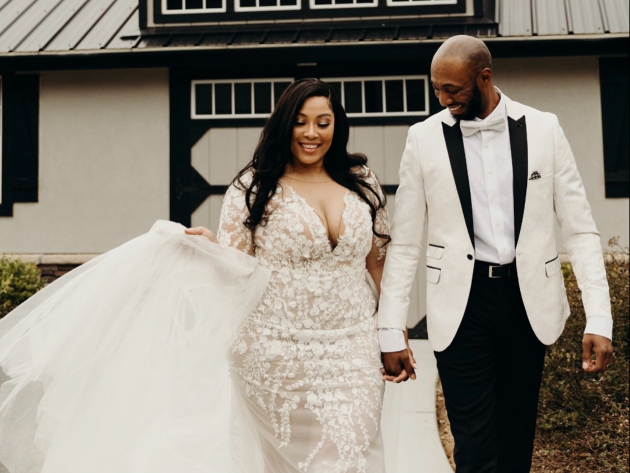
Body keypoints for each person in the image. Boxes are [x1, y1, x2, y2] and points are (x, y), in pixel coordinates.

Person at [0, 78, 405, 473]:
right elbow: (234, 271)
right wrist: (208, 246)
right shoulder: (253, 188)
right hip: (274, 355)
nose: (311, 133)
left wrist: (393, 334)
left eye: (323, 121)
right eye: (300, 121)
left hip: (353, 349)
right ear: (284, 124)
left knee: (353, 454)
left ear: (338, 124)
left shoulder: (361, 183)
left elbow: (378, 264)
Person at [378, 36, 614, 472]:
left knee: (515, 443)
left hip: (526, 305)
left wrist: (599, 317)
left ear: (484, 78)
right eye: (437, 90)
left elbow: (580, 230)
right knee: (475, 450)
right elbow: (406, 242)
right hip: (460, 308)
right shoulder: (423, 139)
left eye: (453, 90)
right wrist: (390, 328)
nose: (443, 100)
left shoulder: (545, 128)